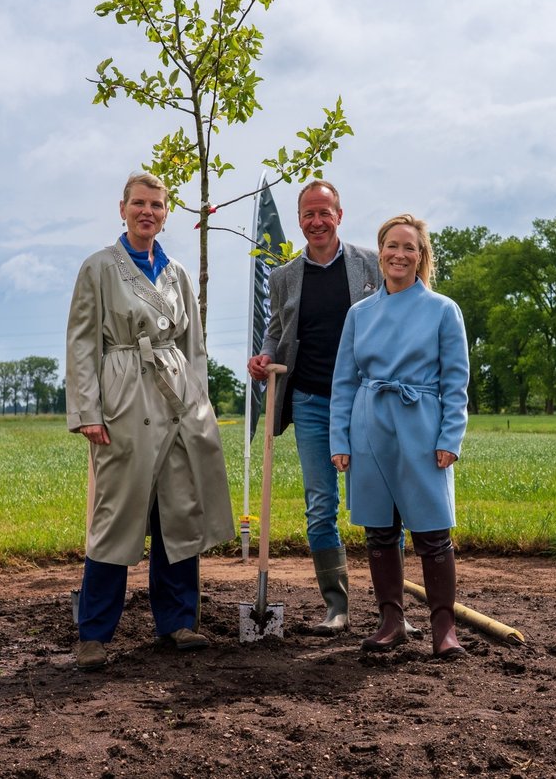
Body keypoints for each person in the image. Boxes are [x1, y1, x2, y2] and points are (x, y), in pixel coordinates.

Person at [65, 171, 235, 671]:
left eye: (157, 205)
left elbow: (194, 347)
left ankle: (178, 621)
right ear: (122, 209)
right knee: (116, 516)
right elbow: (82, 345)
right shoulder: (98, 267)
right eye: (139, 203)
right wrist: (88, 412)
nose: (148, 212)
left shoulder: (177, 272)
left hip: (177, 398)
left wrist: (199, 407)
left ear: (166, 213)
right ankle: (94, 634)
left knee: (179, 510)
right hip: (124, 397)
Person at [329, 214, 470, 659]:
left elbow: (456, 381)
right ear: (380, 252)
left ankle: (444, 628)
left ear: (421, 255)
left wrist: (450, 437)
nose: (399, 254)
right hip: (369, 425)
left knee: (432, 530)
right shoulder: (359, 314)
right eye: (392, 245)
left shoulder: (443, 310)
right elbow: (344, 382)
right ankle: (391, 622)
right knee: (379, 530)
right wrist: (340, 440)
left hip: (422, 426)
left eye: (409, 247)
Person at [247, 179, 380, 635]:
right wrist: (264, 358)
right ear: (299, 220)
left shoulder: (371, 265)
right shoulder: (283, 276)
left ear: (339, 216)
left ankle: (391, 609)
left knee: (381, 502)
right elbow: (276, 331)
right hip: (310, 400)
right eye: (309, 214)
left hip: (366, 402)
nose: (317, 221)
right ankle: (336, 607)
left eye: (325, 212)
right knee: (321, 505)